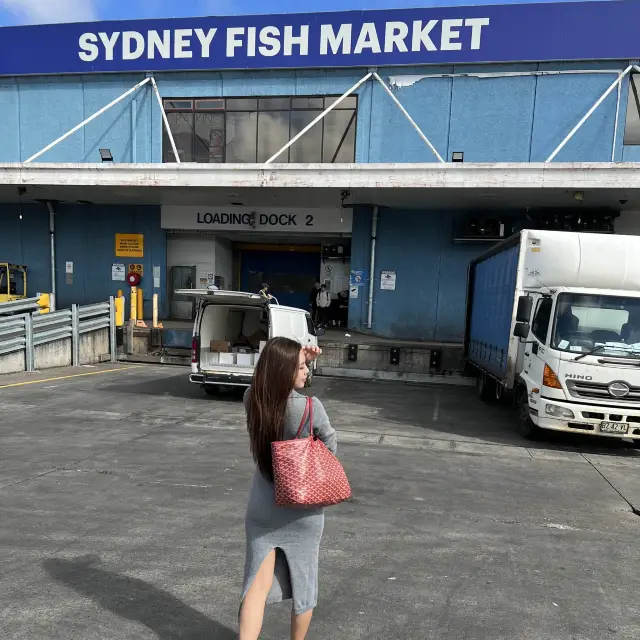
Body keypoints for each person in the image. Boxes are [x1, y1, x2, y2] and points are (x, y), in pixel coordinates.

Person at [239, 337, 336, 640]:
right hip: (302, 510)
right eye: (302, 366)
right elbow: (330, 448)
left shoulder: (253, 400)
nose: (307, 370)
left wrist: (294, 357)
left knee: (257, 584)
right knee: (304, 586)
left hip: (263, 508)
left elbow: (265, 381)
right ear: (286, 371)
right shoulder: (310, 407)